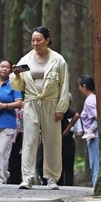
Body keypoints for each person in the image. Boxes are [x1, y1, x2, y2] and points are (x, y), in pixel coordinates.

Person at [11, 26, 69, 190]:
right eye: (33, 40)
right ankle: (27, 178)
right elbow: (18, 85)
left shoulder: (58, 60)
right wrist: (16, 74)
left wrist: (61, 108)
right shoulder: (26, 59)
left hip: (51, 103)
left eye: (39, 40)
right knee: (29, 140)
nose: (35, 43)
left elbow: (64, 85)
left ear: (47, 40)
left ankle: (51, 178)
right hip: (30, 102)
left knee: (52, 141)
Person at [0, 59, 22, 185]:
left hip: (8, 123)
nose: (4, 69)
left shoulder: (13, 84)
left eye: (7, 67)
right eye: (2, 66)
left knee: (3, 151)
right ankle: (3, 172)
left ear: (10, 70)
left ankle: (1, 178)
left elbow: (19, 103)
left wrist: (4, 106)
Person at [78, 75, 99, 187]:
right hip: (94, 136)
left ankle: (96, 187)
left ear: (84, 86)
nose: (79, 89)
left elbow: (98, 117)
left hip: (94, 137)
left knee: (95, 164)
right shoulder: (94, 98)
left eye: (80, 86)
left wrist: (91, 130)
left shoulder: (89, 101)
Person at [60, 94, 79, 186]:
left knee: (68, 166)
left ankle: (68, 185)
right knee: (60, 166)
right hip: (59, 141)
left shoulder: (65, 110)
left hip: (67, 141)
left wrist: (67, 129)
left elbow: (76, 115)